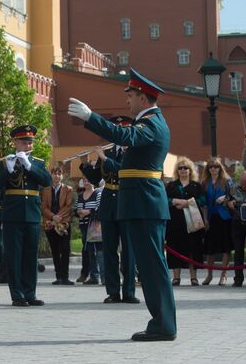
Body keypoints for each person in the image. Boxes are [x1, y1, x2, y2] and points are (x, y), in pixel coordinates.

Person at [69, 67, 176, 341]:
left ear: (142, 97)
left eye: (130, 94)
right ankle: (162, 322)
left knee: (152, 267)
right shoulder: (152, 121)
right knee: (151, 265)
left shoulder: (151, 123)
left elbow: (126, 137)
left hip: (144, 203)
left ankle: (163, 325)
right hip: (142, 202)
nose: (127, 99)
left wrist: (91, 118)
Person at [79, 117, 139, 304]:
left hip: (127, 202)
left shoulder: (135, 151)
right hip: (109, 203)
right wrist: (85, 164)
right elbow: (97, 177)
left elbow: (122, 171)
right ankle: (113, 291)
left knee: (128, 251)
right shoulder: (110, 151)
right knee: (109, 250)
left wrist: (104, 158)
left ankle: (129, 292)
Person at [0, 125, 52, 306]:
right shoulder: (5, 162)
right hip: (12, 214)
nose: (27, 145)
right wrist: (8, 170)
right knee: (14, 256)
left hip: (32, 214)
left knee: (30, 255)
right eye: (23, 142)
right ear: (15, 143)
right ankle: (17, 294)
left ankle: (30, 293)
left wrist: (28, 166)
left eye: (29, 142)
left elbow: (47, 181)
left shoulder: (38, 162)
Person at [165, 157, 206, 286]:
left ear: (190, 170)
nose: (183, 170)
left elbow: (203, 200)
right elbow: (165, 200)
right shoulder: (171, 185)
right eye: (180, 168)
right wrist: (174, 201)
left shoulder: (197, 186)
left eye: (185, 168)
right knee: (175, 247)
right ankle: (176, 277)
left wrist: (187, 203)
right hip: (175, 222)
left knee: (193, 248)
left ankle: (193, 277)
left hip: (193, 221)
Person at [201, 157, 234, 285]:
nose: (213, 169)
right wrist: (205, 219)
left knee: (226, 247)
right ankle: (209, 275)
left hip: (225, 217)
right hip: (211, 217)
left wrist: (224, 198)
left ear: (220, 168)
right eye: (211, 167)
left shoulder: (227, 180)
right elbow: (203, 203)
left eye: (216, 166)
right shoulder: (205, 182)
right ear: (208, 169)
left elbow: (234, 195)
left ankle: (223, 275)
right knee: (210, 248)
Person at [41, 165, 74, 285]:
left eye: (59, 173)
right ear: (51, 175)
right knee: (54, 250)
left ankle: (65, 277)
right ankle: (58, 276)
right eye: (55, 173)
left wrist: (57, 218)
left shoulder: (68, 189)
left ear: (62, 175)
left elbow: (68, 206)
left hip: (63, 223)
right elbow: (43, 207)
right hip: (50, 224)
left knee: (65, 249)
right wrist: (52, 217)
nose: (57, 176)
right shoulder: (45, 190)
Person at [75, 177, 103, 285]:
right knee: (89, 251)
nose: (86, 182)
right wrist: (79, 212)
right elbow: (75, 210)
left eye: (88, 180)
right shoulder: (80, 196)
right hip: (83, 226)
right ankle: (94, 276)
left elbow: (99, 209)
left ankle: (104, 276)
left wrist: (88, 212)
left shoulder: (98, 193)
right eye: (84, 180)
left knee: (100, 251)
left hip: (95, 226)